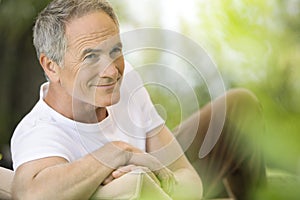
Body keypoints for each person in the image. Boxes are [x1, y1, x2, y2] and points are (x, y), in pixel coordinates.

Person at [10, 0, 266, 199]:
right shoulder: (39, 133)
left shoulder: (127, 78)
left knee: (240, 107)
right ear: (51, 66)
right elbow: (31, 194)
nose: (112, 71)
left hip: (161, 184)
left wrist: (148, 167)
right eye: (90, 57)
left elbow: (187, 177)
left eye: (115, 50)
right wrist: (117, 153)